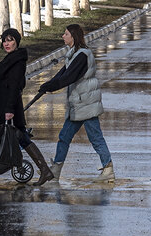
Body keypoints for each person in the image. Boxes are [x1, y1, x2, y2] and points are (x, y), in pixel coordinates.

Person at [0, 28, 55, 188]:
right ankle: (45, 170)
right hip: (4, 106)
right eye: (5, 40)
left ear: (17, 42)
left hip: (6, 108)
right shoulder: (11, 59)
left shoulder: (17, 62)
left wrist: (9, 110)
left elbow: (14, 87)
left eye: (10, 40)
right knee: (23, 139)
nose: (7, 43)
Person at [36, 23, 114, 183]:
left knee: (96, 138)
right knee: (64, 136)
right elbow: (62, 73)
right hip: (78, 105)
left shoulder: (82, 56)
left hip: (86, 104)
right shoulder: (73, 54)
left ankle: (108, 169)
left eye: (65, 34)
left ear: (73, 36)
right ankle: (55, 171)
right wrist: (47, 85)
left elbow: (69, 77)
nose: (63, 36)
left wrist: (52, 86)